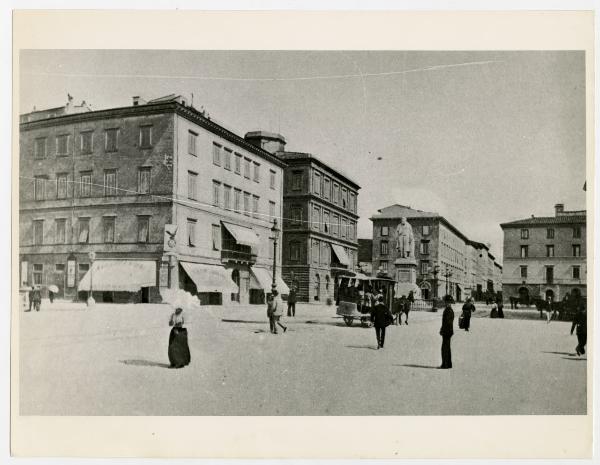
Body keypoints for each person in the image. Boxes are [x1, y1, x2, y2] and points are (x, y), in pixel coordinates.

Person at [439, 295, 455, 369]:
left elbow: (447, 322)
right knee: (447, 347)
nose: (445, 303)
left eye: (446, 302)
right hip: (449, 331)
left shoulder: (448, 310)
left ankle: (445, 364)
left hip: (447, 331)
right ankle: (448, 364)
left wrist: (443, 330)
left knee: (444, 348)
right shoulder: (450, 309)